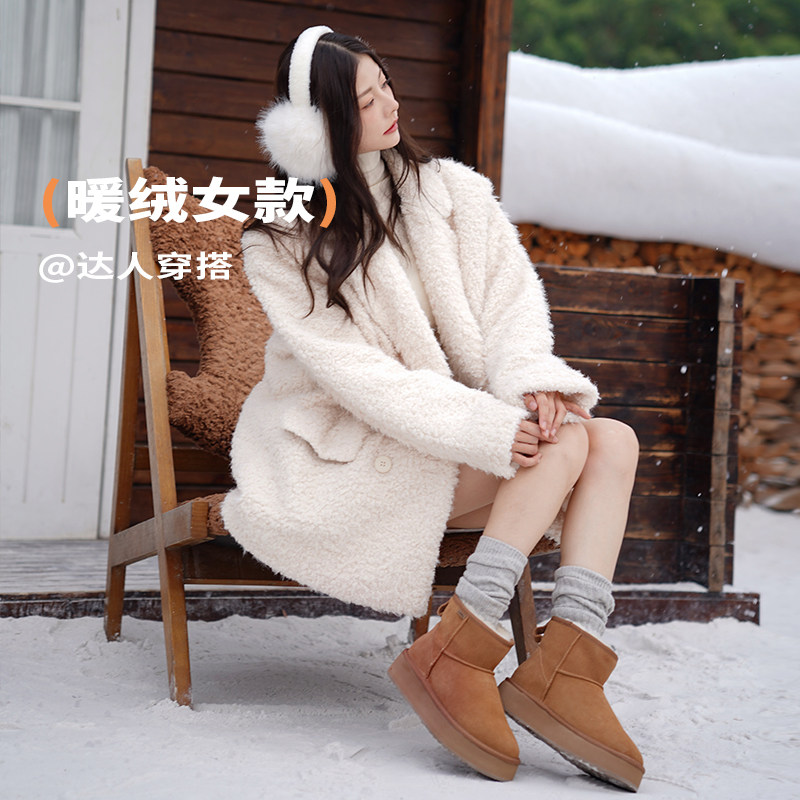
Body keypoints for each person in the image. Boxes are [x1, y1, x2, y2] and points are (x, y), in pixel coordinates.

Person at [221, 25, 644, 792]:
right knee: (565, 446)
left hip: (452, 438)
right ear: (316, 126)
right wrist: (490, 429)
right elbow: (360, 379)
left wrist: (532, 385)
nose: (389, 105)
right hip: (346, 453)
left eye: (385, 84)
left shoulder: (453, 192)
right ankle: (458, 649)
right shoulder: (283, 239)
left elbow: (511, 302)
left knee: (610, 440)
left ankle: (570, 665)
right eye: (365, 100)